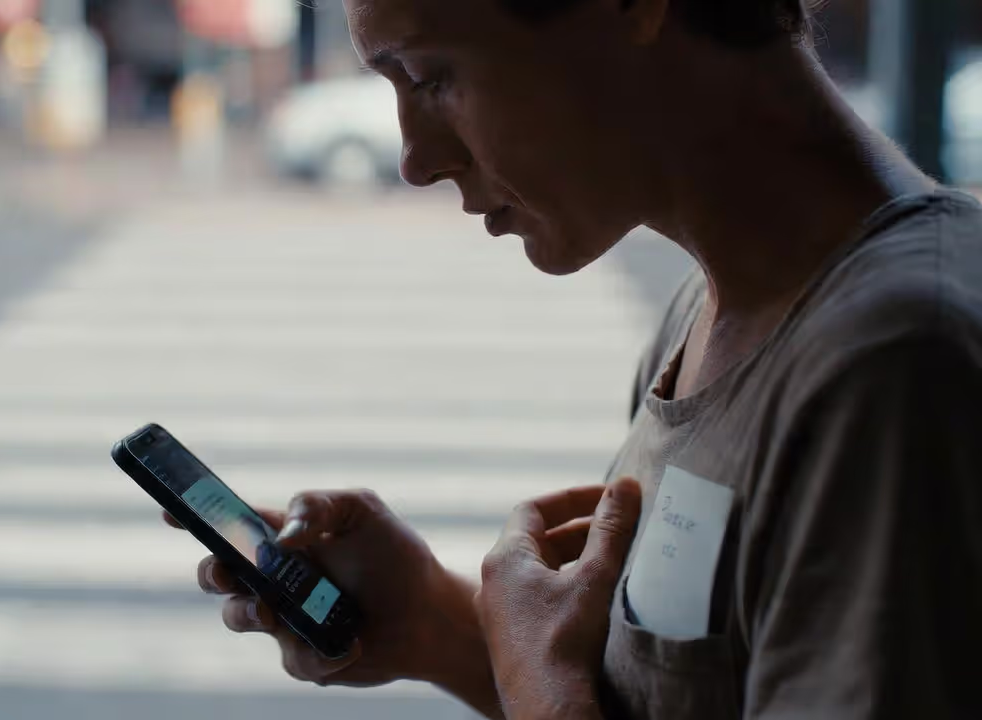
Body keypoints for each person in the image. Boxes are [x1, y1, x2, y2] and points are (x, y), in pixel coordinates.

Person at [170, 0, 982, 717]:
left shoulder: (897, 364)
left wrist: (543, 694)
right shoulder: (711, 313)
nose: (416, 159)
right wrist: (433, 620)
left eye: (430, 75)